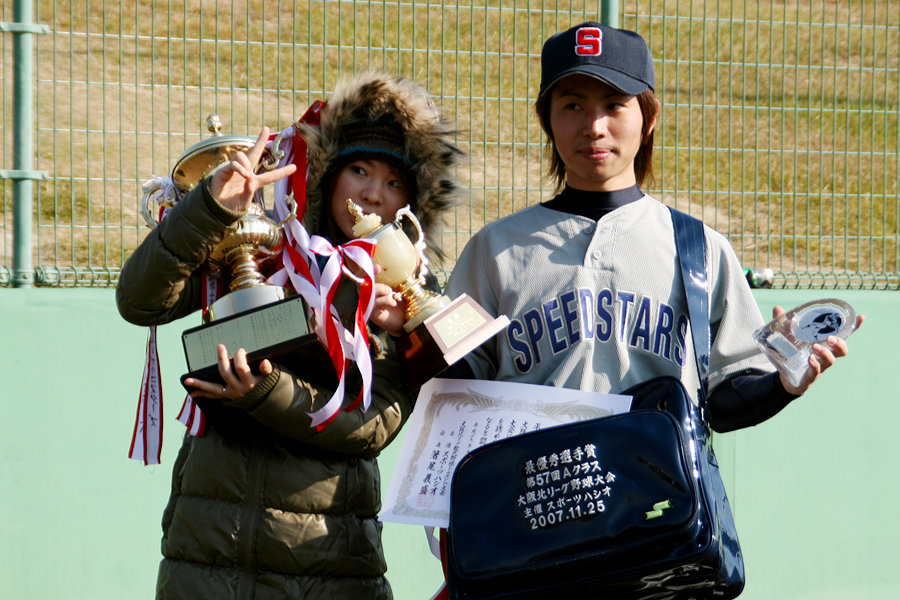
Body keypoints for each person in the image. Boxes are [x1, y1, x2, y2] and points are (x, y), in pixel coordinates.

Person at [116, 71, 462, 600]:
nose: (373, 193)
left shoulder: (407, 292)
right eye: (360, 171)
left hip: (329, 563)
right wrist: (210, 209)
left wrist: (261, 391)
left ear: (412, 202)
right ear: (327, 176)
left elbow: (372, 425)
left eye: (394, 183)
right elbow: (140, 300)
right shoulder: (264, 247)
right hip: (205, 552)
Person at [445, 22, 863, 439]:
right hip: (532, 492)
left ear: (649, 117)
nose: (594, 126)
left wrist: (783, 384)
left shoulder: (700, 250)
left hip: (657, 498)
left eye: (614, 105)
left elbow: (723, 400)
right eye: (573, 106)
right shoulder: (495, 248)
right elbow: (451, 379)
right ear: (545, 119)